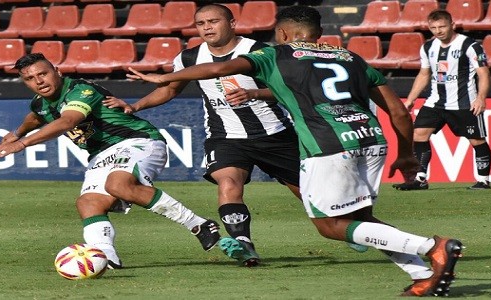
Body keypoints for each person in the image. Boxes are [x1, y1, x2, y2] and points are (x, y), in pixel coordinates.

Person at [127, 6, 464, 297]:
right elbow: (400, 113)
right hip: (371, 141)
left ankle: (432, 247)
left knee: (329, 225)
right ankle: (422, 274)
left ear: (284, 33)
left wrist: (164, 79)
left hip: (328, 145)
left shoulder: (276, 54)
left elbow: (217, 69)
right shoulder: (351, 57)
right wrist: (406, 154)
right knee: (359, 218)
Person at [103, 3, 303, 267]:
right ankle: (244, 246)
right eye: (201, 23)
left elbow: (289, 90)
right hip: (226, 137)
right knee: (228, 184)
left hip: (274, 135)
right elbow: (171, 89)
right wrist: (136, 106)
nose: (207, 27)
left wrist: (254, 93)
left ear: (232, 23)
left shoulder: (258, 51)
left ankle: (354, 227)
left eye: (213, 21)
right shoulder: (188, 58)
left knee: (311, 196)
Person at [0, 53, 222, 270]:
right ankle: (105, 255)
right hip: (100, 154)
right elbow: (36, 116)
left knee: (118, 185)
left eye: (42, 73)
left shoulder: (80, 90)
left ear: (57, 71)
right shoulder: (40, 101)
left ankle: (199, 224)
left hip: (136, 141)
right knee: (88, 203)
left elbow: (68, 121)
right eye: (30, 78)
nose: (38, 81)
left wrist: (22, 143)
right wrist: (16, 133)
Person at [393, 9, 491, 191]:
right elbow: (424, 74)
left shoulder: (471, 46)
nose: (438, 31)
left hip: (464, 102)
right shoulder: (427, 47)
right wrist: (411, 99)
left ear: (452, 25)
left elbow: (483, 73)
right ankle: (420, 179)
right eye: (433, 28)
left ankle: (483, 180)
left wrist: (481, 98)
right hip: (435, 102)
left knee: (477, 141)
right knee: (418, 135)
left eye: (442, 26)